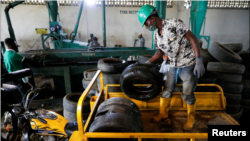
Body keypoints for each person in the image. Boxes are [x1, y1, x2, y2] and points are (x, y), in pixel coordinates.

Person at [137, 5, 205, 130]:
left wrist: (199, 60)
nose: (146, 27)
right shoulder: (156, 35)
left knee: (187, 92)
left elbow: (193, 39)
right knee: (167, 89)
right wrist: (148, 62)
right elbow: (160, 52)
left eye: (146, 23)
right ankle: (163, 114)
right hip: (173, 64)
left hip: (187, 63)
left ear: (152, 18)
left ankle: (191, 118)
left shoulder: (174, 23)